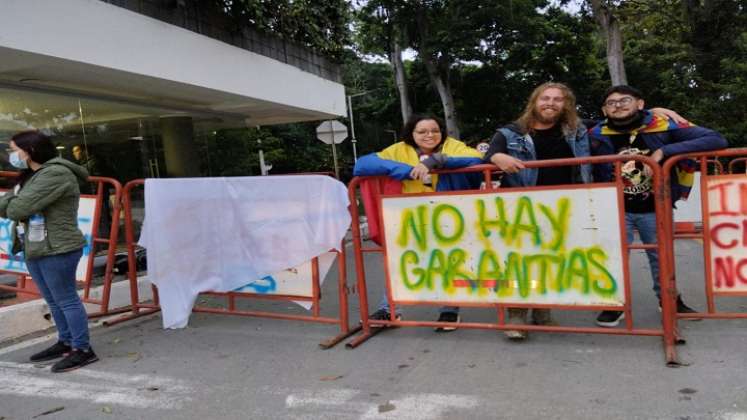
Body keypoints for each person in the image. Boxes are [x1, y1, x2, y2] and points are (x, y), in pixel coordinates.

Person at [589, 85, 728, 327]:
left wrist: (666, 150)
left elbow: (716, 138)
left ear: (640, 104)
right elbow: (560, 121)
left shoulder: (663, 125)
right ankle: (613, 303)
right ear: (604, 109)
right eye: (611, 103)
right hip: (612, 207)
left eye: (625, 100)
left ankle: (670, 300)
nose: (618, 105)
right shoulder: (596, 132)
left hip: (655, 206)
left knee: (661, 256)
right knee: (612, 257)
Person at [353, 114, 483, 331]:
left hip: (448, 216)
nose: (429, 135)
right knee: (400, 260)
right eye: (422, 131)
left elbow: (477, 159)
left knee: (449, 261)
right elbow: (363, 164)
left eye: (434, 130)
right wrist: (404, 171)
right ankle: (389, 309)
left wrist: (437, 161)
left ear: (441, 132)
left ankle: (449, 311)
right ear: (411, 134)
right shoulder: (399, 149)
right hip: (410, 218)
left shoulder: (452, 146)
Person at [484, 82, 593, 340]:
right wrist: (496, 157)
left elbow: (620, 118)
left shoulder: (576, 130)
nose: (551, 103)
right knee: (518, 261)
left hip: (563, 206)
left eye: (558, 99)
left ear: (566, 105)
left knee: (549, 259)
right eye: (546, 98)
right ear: (534, 101)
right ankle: (517, 315)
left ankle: (542, 311)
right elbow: (489, 154)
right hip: (521, 208)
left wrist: (655, 110)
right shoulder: (511, 132)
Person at [0, 131, 98, 372]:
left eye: (14, 150)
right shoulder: (30, 176)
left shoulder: (56, 173)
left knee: (66, 299)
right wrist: (14, 202)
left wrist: (14, 202)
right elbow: (5, 206)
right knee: (53, 300)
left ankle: (83, 349)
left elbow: (16, 208)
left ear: (30, 150)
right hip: (36, 246)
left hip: (58, 247)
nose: (11, 155)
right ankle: (66, 341)